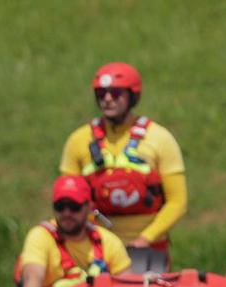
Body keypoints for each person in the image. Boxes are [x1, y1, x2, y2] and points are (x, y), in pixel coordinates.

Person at [59, 62, 187, 268]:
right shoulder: (78, 140)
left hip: (148, 250)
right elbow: (65, 198)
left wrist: (145, 239)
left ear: (132, 96)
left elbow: (177, 202)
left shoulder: (160, 138)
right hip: (96, 249)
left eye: (116, 93)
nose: (107, 99)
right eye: (101, 93)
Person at [15, 175, 132, 287]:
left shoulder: (107, 241)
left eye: (74, 206)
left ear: (89, 207)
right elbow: (32, 280)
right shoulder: (40, 236)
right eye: (60, 206)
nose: (67, 213)